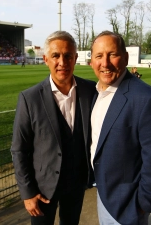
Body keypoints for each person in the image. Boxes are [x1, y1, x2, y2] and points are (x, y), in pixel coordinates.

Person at [11, 31, 96, 225]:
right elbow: (19, 150)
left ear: (75, 58)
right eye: (56, 56)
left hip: (76, 184)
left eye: (68, 56)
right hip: (42, 190)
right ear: (46, 59)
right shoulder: (29, 98)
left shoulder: (91, 90)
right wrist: (27, 193)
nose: (62, 62)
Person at [90, 30, 151, 225]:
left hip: (129, 204)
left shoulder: (145, 98)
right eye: (99, 56)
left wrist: (145, 202)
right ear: (91, 61)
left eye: (113, 54)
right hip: (103, 192)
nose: (105, 63)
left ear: (126, 58)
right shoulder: (96, 93)